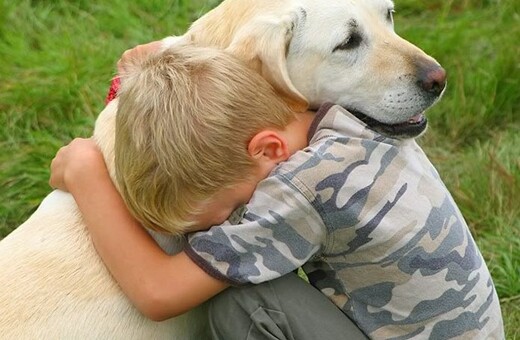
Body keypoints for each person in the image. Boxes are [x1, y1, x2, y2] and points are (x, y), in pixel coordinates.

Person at [50, 43, 504, 339]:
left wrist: (86, 173)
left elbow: (158, 293)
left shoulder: (301, 189)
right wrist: (160, 68)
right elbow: (222, 88)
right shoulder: (337, 114)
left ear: (268, 149)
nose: (234, 221)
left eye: (232, 211)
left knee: (243, 303)